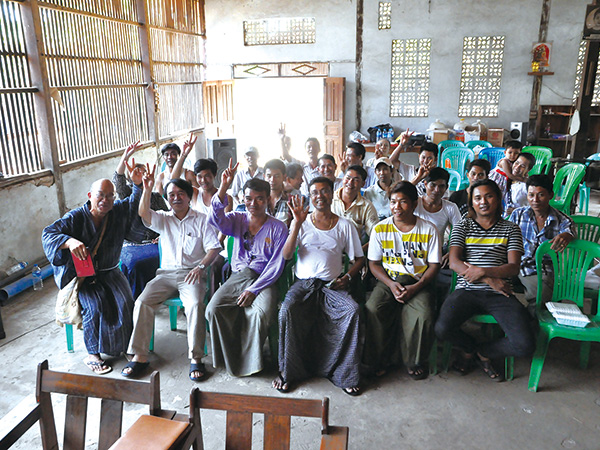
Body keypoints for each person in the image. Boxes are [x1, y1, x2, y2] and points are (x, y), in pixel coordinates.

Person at [122, 174, 221, 381]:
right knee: (142, 302)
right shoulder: (163, 218)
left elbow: (213, 248)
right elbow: (143, 213)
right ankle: (140, 356)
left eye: (180, 194)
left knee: (194, 305)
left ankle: (196, 359)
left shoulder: (202, 220)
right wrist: (147, 189)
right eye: (171, 195)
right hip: (165, 275)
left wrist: (201, 266)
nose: (176, 198)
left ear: (188, 196)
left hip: (191, 275)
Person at [434, 179, 535, 381]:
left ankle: (484, 352)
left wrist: (482, 271)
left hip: (500, 292)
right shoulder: (463, 226)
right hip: (467, 290)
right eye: (477, 198)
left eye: (489, 196)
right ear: (471, 202)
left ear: (498, 199)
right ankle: (468, 348)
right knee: (441, 329)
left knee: (525, 344)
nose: (483, 202)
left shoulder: (511, 228)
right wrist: (489, 279)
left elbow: (513, 267)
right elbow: (454, 262)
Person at [273, 177, 365, 395]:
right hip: (303, 285)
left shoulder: (345, 225)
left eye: (324, 191)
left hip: (332, 286)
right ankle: (288, 373)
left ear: (332, 194)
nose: (319, 196)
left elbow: (359, 260)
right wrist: (295, 223)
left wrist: (348, 277)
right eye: (314, 192)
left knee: (352, 311)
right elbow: (286, 256)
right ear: (310, 196)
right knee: (287, 311)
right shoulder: (301, 223)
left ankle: (344, 374)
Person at [42, 178, 141, 374]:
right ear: (90, 196)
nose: (105, 200)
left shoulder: (116, 211)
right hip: (84, 277)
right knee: (94, 306)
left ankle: (126, 347)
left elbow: (133, 204)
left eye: (109, 196)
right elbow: (48, 234)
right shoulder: (75, 217)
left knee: (125, 301)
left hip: (111, 271)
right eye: (100, 195)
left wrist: (138, 186)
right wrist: (69, 241)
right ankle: (93, 353)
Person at [206, 160, 288, 377]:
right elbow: (216, 220)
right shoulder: (237, 219)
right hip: (239, 276)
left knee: (261, 313)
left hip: (264, 279)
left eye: (260, 199)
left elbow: (276, 265)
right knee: (213, 309)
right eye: (249, 199)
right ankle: (227, 357)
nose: (254, 204)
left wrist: (254, 290)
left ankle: (252, 363)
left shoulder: (278, 227)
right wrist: (223, 186)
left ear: (268, 199)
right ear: (243, 199)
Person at [364, 181, 441, 380]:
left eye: (403, 202)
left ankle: (413, 360)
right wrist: (390, 284)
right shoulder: (380, 229)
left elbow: (434, 265)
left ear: (415, 204)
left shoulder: (428, 229)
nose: (397, 207)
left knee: (423, 315)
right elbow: (374, 264)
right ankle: (379, 359)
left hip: (418, 281)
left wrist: (417, 287)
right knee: (373, 308)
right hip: (388, 280)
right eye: (393, 202)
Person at [507, 175, 575, 311]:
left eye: (541, 195)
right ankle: (496, 329)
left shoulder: (562, 220)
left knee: (539, 298)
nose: (535, 200)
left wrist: (567, 236)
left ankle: (529, 327)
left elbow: (570, 232)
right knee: (493, 287)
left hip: (539, 269)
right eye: (531, 195)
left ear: (551, 195)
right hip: (513, 264)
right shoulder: (518, 215)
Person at [113, 141, 169, 300]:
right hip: (133, 244)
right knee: (136, 265)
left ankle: (156, 295)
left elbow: (166, 220)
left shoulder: (156, 197)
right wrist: (126, 154)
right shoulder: (128, 195)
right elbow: (118, 179)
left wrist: (162, 236)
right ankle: (137, 299)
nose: (142, 175)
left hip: (154, 242)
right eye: (137, 172)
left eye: (144, 172)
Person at [331, 165, 379, 249]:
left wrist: (361, 252)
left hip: (353, 253)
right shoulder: (329, 199)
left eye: (356, 180)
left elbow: (376, 234)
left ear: (363, 184)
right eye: (348, 178)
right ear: (343, 178)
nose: (350, 182)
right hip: (329, 249)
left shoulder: (366, 206)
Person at [279, 124, 321, 196]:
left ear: (319, 149)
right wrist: (282, 139)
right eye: (309, 147)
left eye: (314, 146)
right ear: (306, 150)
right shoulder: (302, 165)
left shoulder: (324, 167)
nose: (311, 149)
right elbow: (286, 156)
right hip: (304, 199)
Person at [503, 152, 536, 216]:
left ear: (528, 169)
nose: (517, 167)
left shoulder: (527, 186)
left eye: (522, 166)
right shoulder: (506, 179)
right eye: (517, 163)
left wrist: (517, 210)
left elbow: (537, 208)